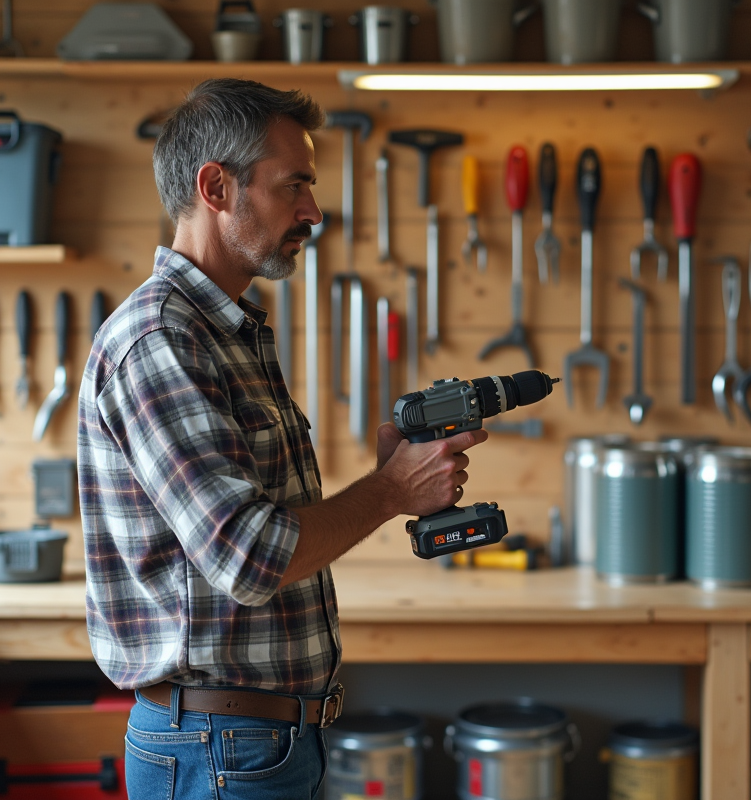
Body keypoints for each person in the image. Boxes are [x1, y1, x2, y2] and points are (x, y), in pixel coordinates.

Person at [77, 78, 486, 799]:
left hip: (253, 743)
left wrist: (392, 478)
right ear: (216, 187)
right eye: (293, 185)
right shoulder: (162, 340)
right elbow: (249, 555)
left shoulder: (225, 332)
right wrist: (391, 491)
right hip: (219, 750)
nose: (314, 211)